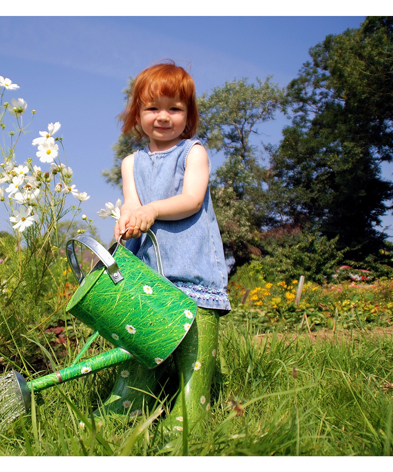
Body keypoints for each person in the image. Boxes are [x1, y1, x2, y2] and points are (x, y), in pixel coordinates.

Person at [97, 60, 231, 436]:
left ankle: (191, 412)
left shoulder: (194, 153)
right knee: (142, 341)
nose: (163, 117)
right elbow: (130, 201)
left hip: (191, 263)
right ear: (136, 114)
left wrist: (152, 210)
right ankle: (131, 400)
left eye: (174, 108)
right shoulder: (130, 163)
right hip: (149, 269)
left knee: (194, 349)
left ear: (188, 116)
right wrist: (127, 218)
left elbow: (191, 199)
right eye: (153, 108)